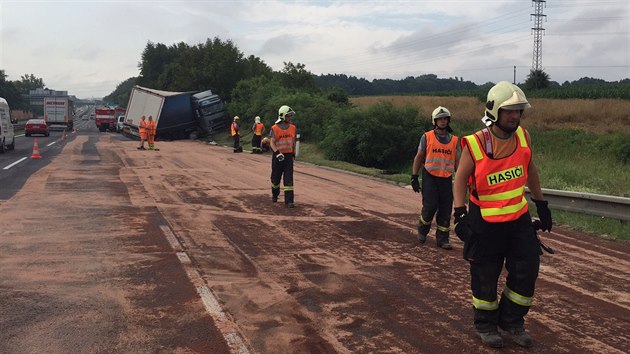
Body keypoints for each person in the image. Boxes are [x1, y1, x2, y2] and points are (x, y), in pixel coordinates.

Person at [452, 81, 553, 348]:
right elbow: (460, 178)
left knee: (527, 268)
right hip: (484, 221)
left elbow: (530, 170)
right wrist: (460, 214)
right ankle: (486, 324)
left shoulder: (524, 136)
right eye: (509, 110)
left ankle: (511, 320)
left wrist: (541, 204)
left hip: (518, 219)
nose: (515, 116)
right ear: (494, 111)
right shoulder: (475, 143)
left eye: (519, 111)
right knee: (485, 274)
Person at [411, 106, 459, 250]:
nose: (443, 122)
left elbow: (457, 161)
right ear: (435, 121)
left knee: (445, 209)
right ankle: (423, 229)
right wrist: (414, 176)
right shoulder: (427, 137)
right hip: (430, 177)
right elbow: (419, 156)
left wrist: (463, 179)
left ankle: (443, 239)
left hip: (446, 178)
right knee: (430, 206)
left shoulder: (455, 140)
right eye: (440, 119)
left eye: (445, 119)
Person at [270, 105, 297, 208]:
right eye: (288, 116)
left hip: (288, 156)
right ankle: (275, 194)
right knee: (275, 178)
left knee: (288, 178)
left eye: (290, 116)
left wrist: (293, 152)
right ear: (282, 116)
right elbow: (272, 142)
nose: (290, 118)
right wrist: (277, 153)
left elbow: (293, 142)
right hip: (278, 156)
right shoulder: (274, 128)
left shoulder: (293, 128)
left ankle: (289, 201)